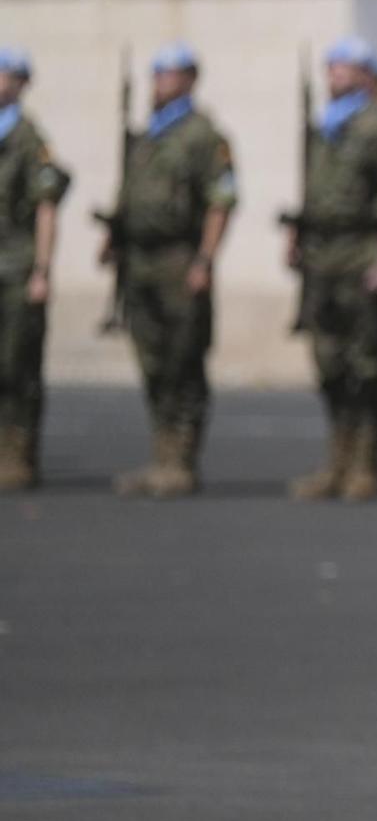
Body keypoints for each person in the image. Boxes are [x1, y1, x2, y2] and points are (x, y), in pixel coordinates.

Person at [287, 38, 377, 501]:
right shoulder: (325, 127)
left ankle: (366, 463)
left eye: (345, 68)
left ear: (367, 75)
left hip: (361, 254)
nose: (335, 76)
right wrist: (298, 241)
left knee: (366, 364)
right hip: (323, 259)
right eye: (331, 68)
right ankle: (337, 461)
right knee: (329, 363)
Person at [107, 43, 237, 498]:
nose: (159, 81)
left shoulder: (203, 136)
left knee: (184, 359)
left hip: (180, 259)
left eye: (169, 73)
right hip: (140, 260)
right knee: (153, 360)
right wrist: (114, 239)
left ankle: (182, 460)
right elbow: (127, 195)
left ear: (190, 79)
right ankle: (161, 456)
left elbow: (221, 202)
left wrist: (204, 259)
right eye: (156, 73)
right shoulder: (147, 136)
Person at [0, 49, 71, 492]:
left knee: (17, 365)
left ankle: (17, 455)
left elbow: (46, 209)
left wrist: (42, 270)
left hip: (17, 268)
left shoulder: (29, 140)